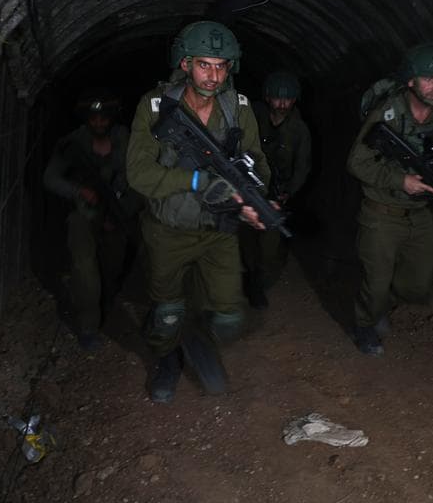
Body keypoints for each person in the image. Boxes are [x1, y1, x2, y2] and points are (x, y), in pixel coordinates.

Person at [126, 21, 270, 403]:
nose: (214, 75)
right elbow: (139, 173)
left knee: (229, 319)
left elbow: (257, 165)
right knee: (166, 314)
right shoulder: (155, 107)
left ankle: (192, 331)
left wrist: (252, 203)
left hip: (218, 231)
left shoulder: (237, 109)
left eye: (222, 66)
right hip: (168, 230)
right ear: (186, 64)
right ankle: (166, 357)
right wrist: (195, 182)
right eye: (205, 65)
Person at [346, 43, 433, 356]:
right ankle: (365, 324)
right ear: (411, 81)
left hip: (419, 216)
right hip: (381, 213)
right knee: (376, 283)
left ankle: (380, 306)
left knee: (416, 286)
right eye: (428, 79)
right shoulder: (388, 113)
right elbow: (357, 162)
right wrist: (400, 180)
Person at [42, 91, 141, 350]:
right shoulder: (73, 143)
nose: (99, 124)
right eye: (93, 119)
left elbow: (139, 176)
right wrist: (78, 191)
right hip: (84, 215)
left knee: (112, 266)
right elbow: (50, 178)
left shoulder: (125, 140)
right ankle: (88, 327)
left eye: (103, 119)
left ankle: (106, 300)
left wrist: (122, 207)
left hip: (117, 213)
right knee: (84, 270)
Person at [240, 70, 311, 309]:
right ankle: (245, 276)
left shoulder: (299, 129)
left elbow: (302, 166)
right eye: (278, 98)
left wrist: (288, 191)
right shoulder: (252, 116)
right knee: (242, 238)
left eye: (288, 99)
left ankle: (258, 283)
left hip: (275, 195)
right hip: (247, 189)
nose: (282, 104)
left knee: (268, 246)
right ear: (268, 97)